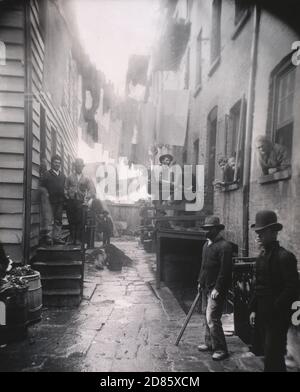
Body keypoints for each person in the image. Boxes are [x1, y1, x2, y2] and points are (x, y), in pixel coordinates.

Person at [249, 210, 299, 372]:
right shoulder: (261, 258)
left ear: (273, 233)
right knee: (266, 352)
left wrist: (275, 308)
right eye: (257, 233)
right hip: (263, 313)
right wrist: (254, 310)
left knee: (273, 353)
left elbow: (292, 287)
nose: (258, 236)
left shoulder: (285, 257)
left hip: (278, 315)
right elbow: (258, 287)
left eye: (261, 232)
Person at [197, 216, 233, 361]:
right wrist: (200, 281)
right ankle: (210, 343)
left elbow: (225, 271)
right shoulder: (206, 246)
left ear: (216, 229)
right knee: (206, 316)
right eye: (205, 228)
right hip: (206, 286)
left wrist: (218, 288)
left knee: (213, 318)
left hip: (216, 289)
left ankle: (221, 349)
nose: (206, 231)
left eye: (208, 229)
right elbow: (203, 266)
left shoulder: (225, 247)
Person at [65, 158, 96, 245]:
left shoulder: (86, 179)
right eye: (77, 166)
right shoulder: (69, 177)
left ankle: (78, 239)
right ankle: (72, 239)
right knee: (71, 220)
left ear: (82, 167)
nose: (78, 167)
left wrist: (87, 198)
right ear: (74, 166)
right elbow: (65, 188)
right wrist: (67, 196)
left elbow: (92, 190)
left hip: (80, 202)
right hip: (71, 202)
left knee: (79, 221)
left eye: (80, 166)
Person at [40, 155, 66, 245]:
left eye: (59, 163)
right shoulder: (47, 174)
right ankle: (48, 238)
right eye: (55, 162)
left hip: (60, 202)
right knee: (49, 220)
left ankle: (57, 238)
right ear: (52, 163)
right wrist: (46, 194)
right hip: (50, 202)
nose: (57, 165)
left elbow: (65, 188)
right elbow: (42, 186)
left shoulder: (63, 176)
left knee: (58, 220)